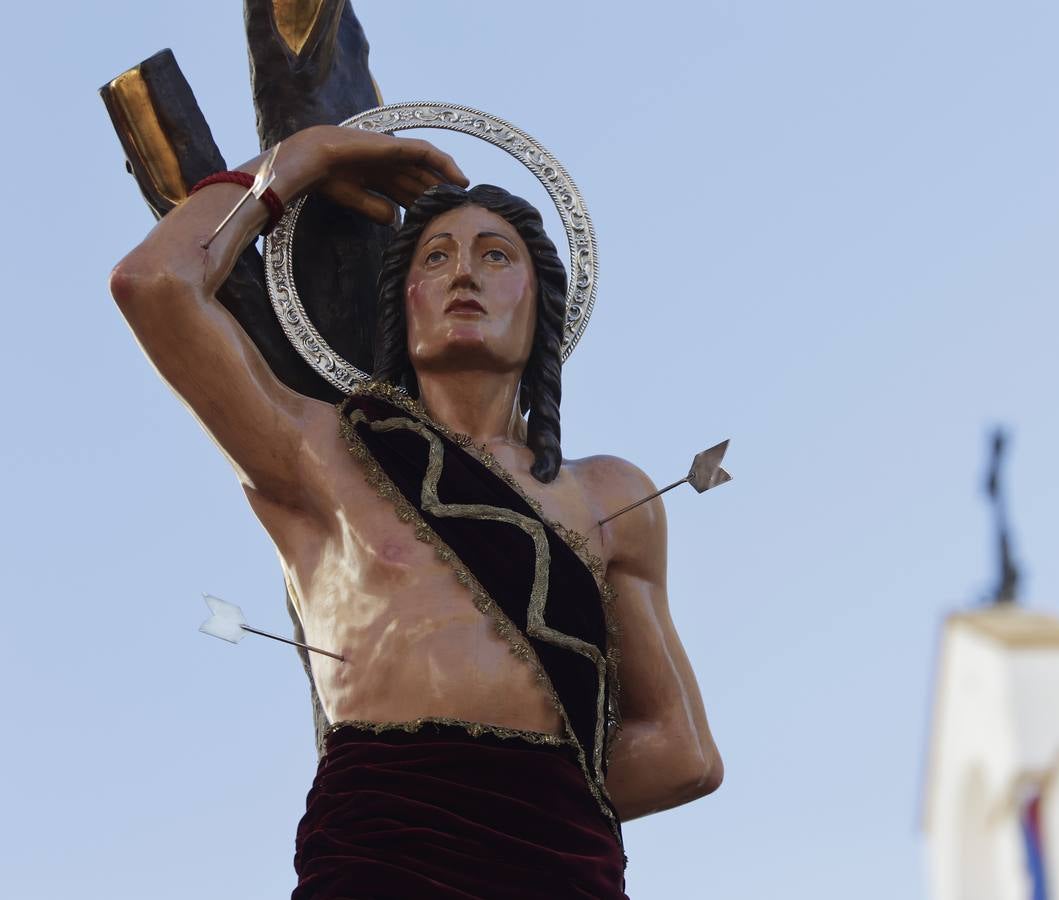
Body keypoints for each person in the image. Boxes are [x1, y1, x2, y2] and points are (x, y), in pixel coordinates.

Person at [110, 124, 723, 899]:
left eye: (495, 255)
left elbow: (682, 752)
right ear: (404, 302)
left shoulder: (611, 496)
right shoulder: (317, 451)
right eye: (436, 257)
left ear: (541, 301)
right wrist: (300, 159)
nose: (463, 272)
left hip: (558, 868)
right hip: (378, 856)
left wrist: (525, 799)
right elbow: (153, 283)